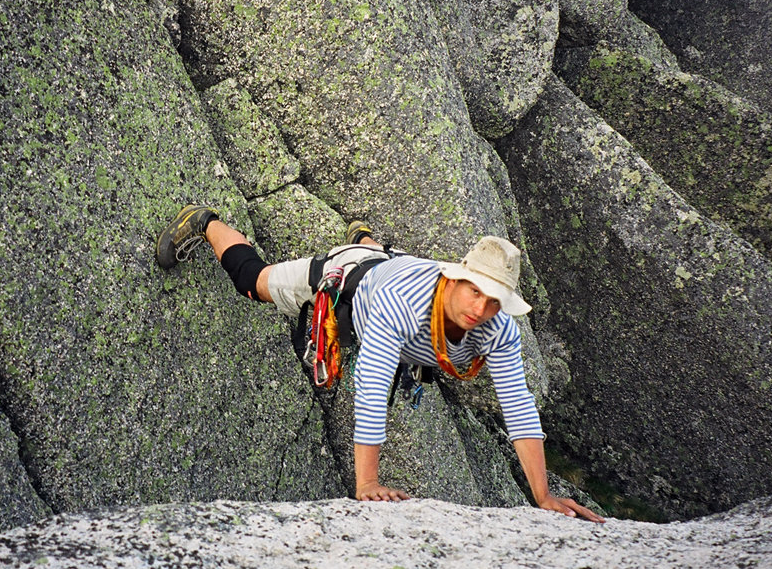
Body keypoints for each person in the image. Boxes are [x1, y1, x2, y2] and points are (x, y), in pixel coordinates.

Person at [156, 204, 604, 522]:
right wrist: (366, 483)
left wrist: (543, 495)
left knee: (381, 259)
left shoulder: (496, 327)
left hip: (393, 266)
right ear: (454, 279)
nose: (480, 308)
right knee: (254, 282)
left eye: (494, 301)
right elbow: (371, 383)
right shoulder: (401, 305)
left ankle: (365, 239)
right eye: (474, 291)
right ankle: (206, 222)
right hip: (348, 280)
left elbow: (518, 405)